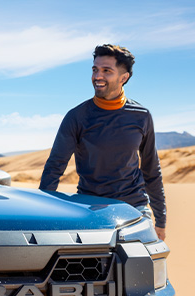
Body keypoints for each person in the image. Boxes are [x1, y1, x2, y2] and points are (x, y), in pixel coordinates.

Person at [39, 44, 166, 240]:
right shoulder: (77, 117)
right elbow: (55, 165)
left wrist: (161, 220)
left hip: (134, 209)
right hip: (90, 209)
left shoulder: (141, 116)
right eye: (95, 69)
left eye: (107, 71)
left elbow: (151, 169)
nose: (98, 76)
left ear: (124, 78)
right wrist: (42, 216)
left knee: (148, 267)